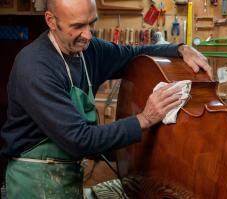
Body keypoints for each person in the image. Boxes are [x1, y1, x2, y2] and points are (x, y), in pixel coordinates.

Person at [0, 0, 212, 198]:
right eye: (78, 26)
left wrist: (179, 49)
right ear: (51, 21)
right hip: (35, 180)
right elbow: (78, 140)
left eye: (92, 23)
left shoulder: (88, 50)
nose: (88, 34)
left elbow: (133, 54)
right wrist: (145, 119)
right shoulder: (35, 66)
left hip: (68, 173)